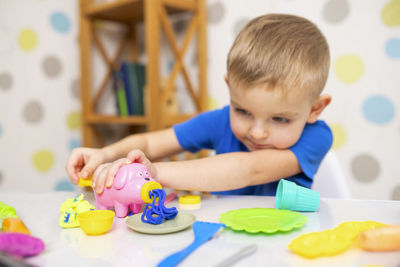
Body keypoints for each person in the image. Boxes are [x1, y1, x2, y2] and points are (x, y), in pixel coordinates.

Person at [66, 13, 332, 196]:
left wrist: (155, 172)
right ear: (230, 89)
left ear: (314, 110)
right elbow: (150, 143)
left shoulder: (316, 136)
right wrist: (105, 154)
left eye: (280, 119)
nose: (257, 132)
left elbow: (249, 169)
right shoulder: (221, 121)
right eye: (243, 111)